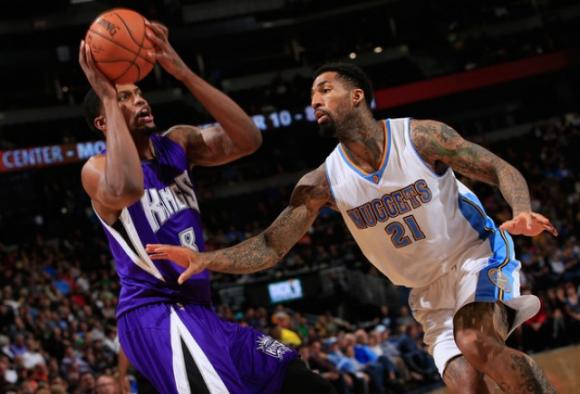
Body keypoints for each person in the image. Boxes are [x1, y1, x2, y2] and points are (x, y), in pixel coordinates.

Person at [147, 62, 559, 393]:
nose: (315, 100)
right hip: (425, 293)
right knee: (466, 384)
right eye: (312, 95)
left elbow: (497, 167)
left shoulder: (420, 136)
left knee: (476, 342)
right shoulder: (321, 181)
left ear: (357, 95)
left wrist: (521, 209)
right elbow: (272, 246)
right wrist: (206, 259)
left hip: (474, 255)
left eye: (325, 89)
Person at [79, 19, 335, 394]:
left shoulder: (178, 143)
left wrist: (183, 73)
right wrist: (105, 95)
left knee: (304, 384)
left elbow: (248, 139)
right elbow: (129, 187)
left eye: (138, 93)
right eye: (125, 98)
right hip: (155, 313)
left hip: (200, 311)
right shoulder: (96, 169)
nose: (139, 100)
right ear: (104, 120)